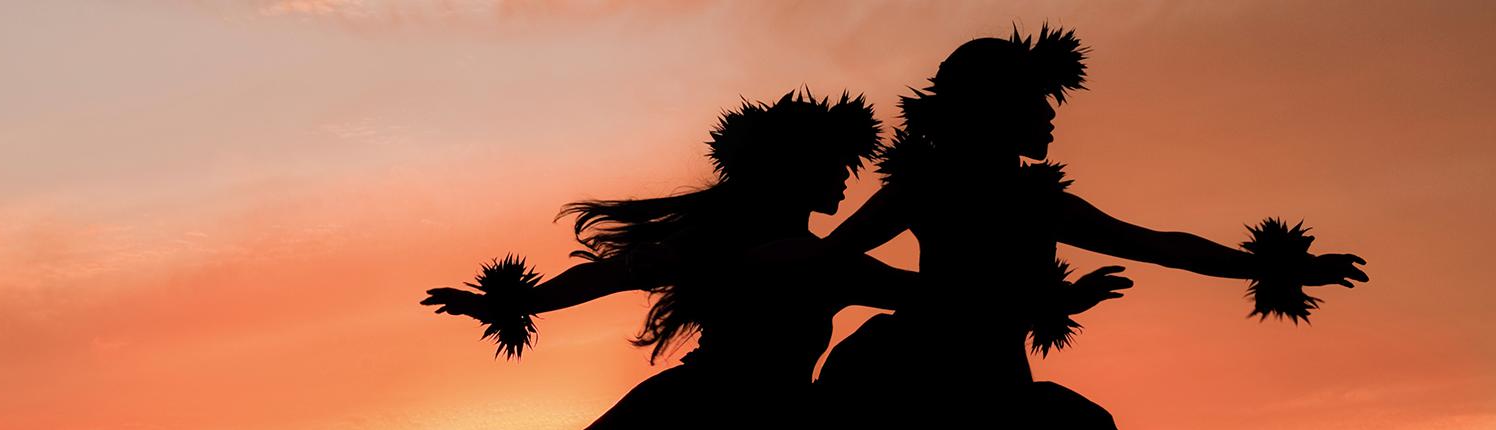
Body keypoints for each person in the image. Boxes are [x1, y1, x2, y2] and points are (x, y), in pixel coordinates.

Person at [425, 90, 1129, 428]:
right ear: (796, 172)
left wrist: (513, 303)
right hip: (733, 418)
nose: (847, 179)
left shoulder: (800, 256)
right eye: (835, 167)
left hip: (722, 412)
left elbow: (939, 300)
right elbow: (612, 273)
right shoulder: (804, 258)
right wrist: (514, 301)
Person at [811, 25, 1370, 428]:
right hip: (916, 379)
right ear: (997, 107)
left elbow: (1160, 246)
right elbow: (827, 259)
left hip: (998, 380)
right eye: (1036, 100)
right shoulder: (929, 187)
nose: (1050, 114)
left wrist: (1278, 266)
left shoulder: (1037, 202)